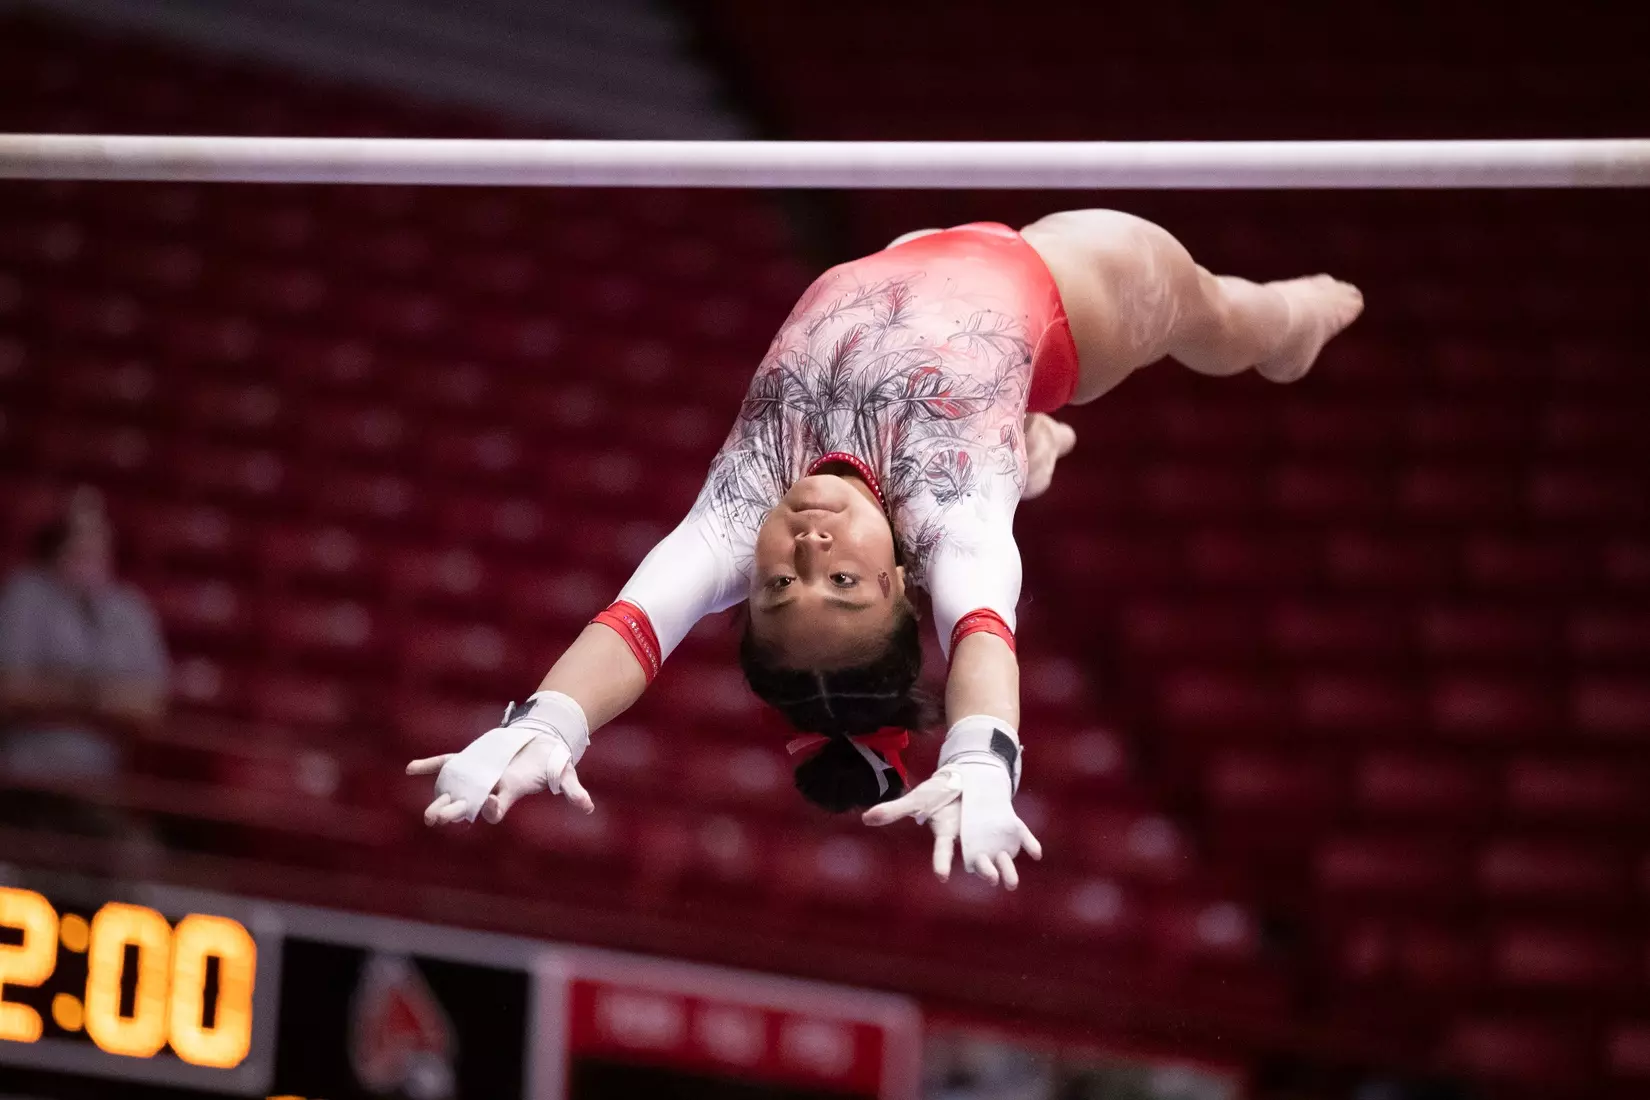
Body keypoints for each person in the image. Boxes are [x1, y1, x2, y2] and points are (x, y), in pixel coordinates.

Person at [410, 210, 1362, 888]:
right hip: (1069, 293)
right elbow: (983, 633)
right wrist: (983, 755)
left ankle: (1030, 444)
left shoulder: (740, 508)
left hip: (908, 262)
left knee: (1000, 431)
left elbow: (633, 625)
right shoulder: (952, 520)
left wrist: (548, 724)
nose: (807, 542)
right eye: (840, 580)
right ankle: (1289, 330)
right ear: (904, 584)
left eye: (779, 583)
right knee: (1227, 318)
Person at [0, 487, 170, 832]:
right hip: (21, 780)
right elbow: (9, 691)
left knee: (132, 855)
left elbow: (149, 706)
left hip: (97, 787)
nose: (89, 545)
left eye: (97, 534)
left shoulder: (129, 610)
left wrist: (57, 694)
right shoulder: (25, 595)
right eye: (78, 534)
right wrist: (99, 699)